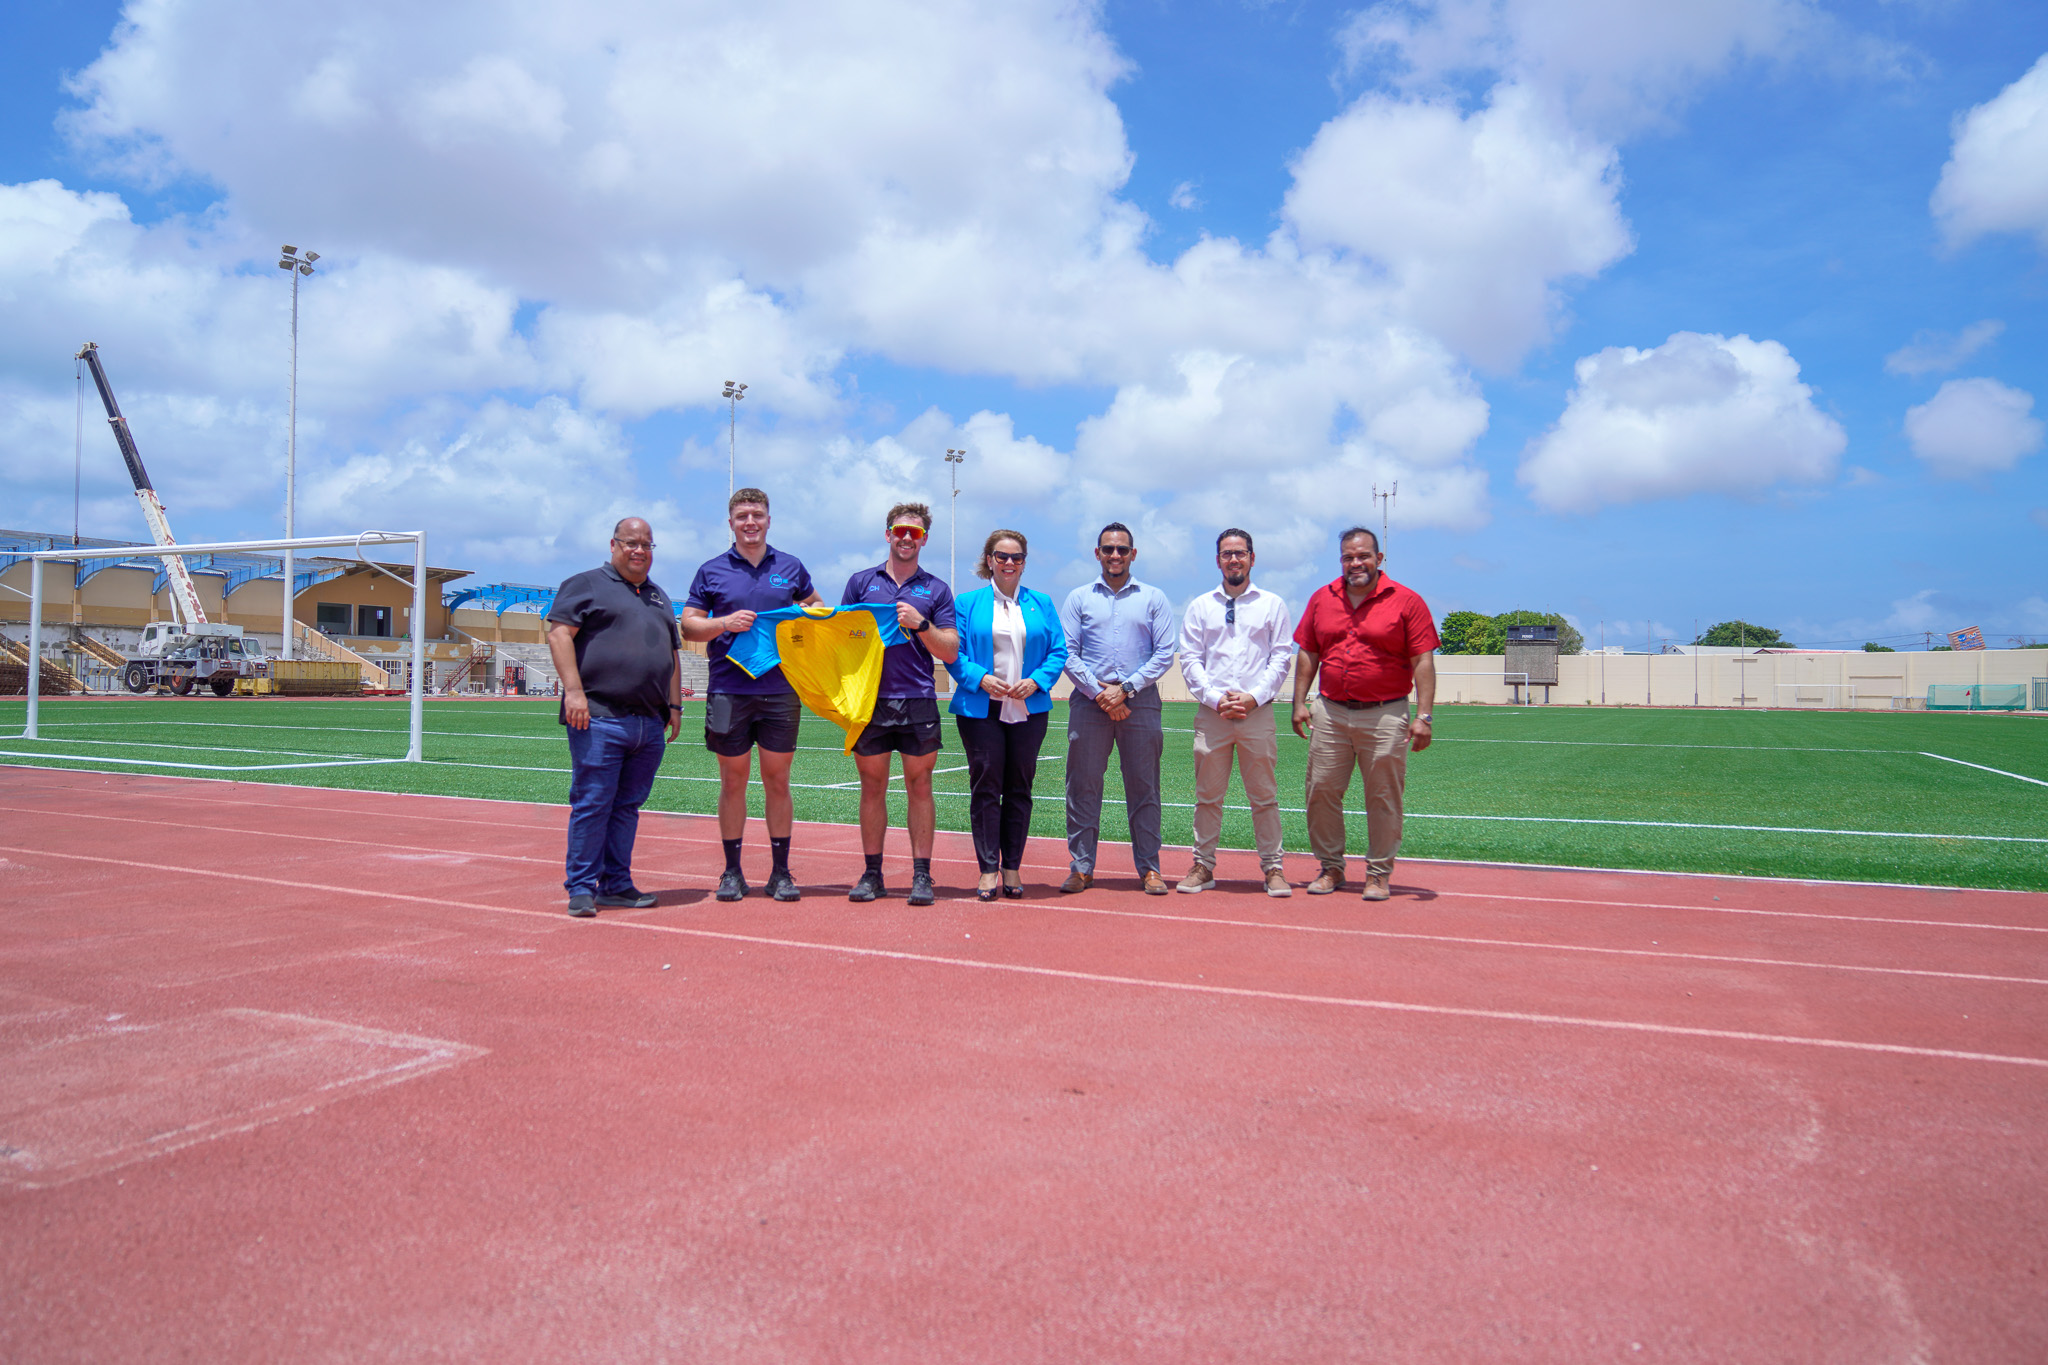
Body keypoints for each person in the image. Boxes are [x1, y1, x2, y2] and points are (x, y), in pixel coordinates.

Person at [682, 488, 823, 903]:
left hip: (781, 690)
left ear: (768, 520)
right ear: (730, 523)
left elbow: (816, 606)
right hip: (729, 690)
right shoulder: (711, 570)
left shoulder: (791, 567)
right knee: (733, 782)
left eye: (757, 515)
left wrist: (809, 614)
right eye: (742, 515)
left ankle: (780, 873)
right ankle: (732, 872)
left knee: (778, 781)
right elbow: (689, 626)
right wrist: (725, 622)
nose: (750, 522)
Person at [545, 517, 685, 917]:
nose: (639, 550)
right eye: (631, 543)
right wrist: (573, 691)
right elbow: (559, 635)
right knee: (593, 803)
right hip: (599, 717)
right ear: (613, 545)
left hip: (649, 723)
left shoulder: (658, 596)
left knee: (627, 807)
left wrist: (674, 707)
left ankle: (617, 885)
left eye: (647, 545)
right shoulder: (585, 584)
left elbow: (672, 655)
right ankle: (582, 888)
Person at [1291, 526, 1438, 902]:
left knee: (1384, 796)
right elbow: (1308, 652)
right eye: (1348, 557)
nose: (1355, 563)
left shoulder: (1407, 601)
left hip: (1386, 714)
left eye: (1362, 556)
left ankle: (1378, 873)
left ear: (1379, 558)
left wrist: (1424, 716)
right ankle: (1331, 867)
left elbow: (1422, 659)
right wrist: (1298, 703)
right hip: (1330, 712)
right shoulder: (1322, 599)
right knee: (1321, 791)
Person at [840, 502, 959, 905]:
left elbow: (950, 650)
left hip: (918, 700)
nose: (907, 538)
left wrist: (920, 624)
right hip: (870, 700)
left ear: (924, 539)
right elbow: (842, 638)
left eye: (916, 532)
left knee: (920, 786)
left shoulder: (936, 589)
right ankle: (872, 874)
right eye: (900, 530)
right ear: (888, 533)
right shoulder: (860, 582)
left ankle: (921, 875)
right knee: (871, 786)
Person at [945, 530, 1069, 901]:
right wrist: (980, 679)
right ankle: (987, 870)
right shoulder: (966, 603)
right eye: (1002, 556)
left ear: (1024, 562)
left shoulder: (1042, 603)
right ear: (989, 560)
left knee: (1019, 789)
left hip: (1029, 710)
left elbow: (1058, 651)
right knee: (985, 788)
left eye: (1016, 557)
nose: (1009, 563)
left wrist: (1037, 682)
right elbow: (954, 653)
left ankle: (1011, 866)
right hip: (980, 710)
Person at [1176, 528, 1296, 898]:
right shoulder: (1200, 606)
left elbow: (1280, 656)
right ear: (1218, 560)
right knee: (1207, 796)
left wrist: (1253, 697)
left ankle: (1273, 868)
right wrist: (1215, 699)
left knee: (1264, 796)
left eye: (1240, 553)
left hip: (1256, 714)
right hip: (1213, 717)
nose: (1233, 559)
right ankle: (1203, 865)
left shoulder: (1272, 604)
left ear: (1252, 558)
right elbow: (1191, 659)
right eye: (1227, 554)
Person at [1059, 522, 1178, 895]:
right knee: (1082, 787)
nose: (1115, 555)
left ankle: (1149, 869)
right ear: (1097, 553)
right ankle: (1081, 868)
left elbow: (1164, 653)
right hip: (1089, 702)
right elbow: (1067, 652)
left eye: (1122, 550)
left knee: (1144, 788)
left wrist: (1124, 689)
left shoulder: (1153, 597)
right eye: (1108, 549)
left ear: (1133, 554)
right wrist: (1101, 694)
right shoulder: (1078, 598)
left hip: (1139, 704)